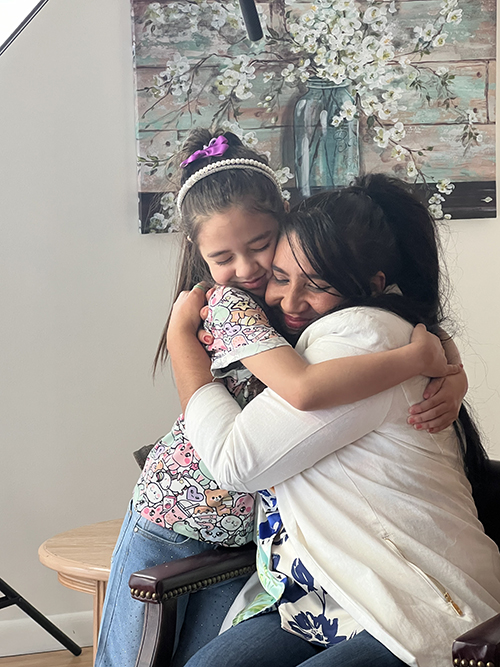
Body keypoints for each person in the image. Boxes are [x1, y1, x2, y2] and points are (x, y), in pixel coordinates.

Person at [95, 130, 463, 667]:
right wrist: (416, 362)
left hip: (250, 532)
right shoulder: (228, 306)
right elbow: (302, 389)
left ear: (285, 224)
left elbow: (402, 314)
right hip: (176, 517)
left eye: (261, 245)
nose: (247, 269)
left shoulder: (298, 292)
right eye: (223, 256)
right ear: (197, 254)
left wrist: (452, 371)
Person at [166, 174, 500, 667]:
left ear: (370, 285)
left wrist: (181, 346)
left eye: (317, 285)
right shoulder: (261, 306)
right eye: (281, 276)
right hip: (317, 597)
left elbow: (237, 461)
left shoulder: (360, 335)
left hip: (405, 601)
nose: (288, 300)